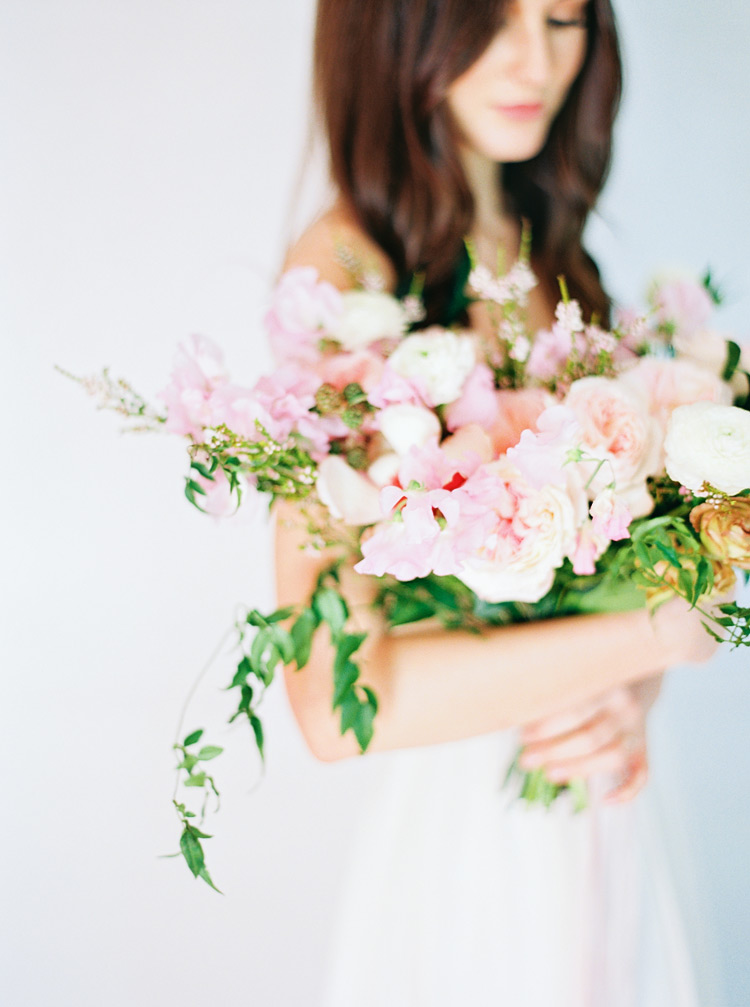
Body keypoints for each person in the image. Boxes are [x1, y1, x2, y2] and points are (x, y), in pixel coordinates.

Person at [274, 1, 717, 1003]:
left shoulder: (561, 258)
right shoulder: (347, 269)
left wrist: (633, 682)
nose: (536, 59)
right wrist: (664, 633)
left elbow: (598, 590)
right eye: (491, 19)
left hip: (609, 807)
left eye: (563, 18)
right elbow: (338, 708)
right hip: (476, 839)